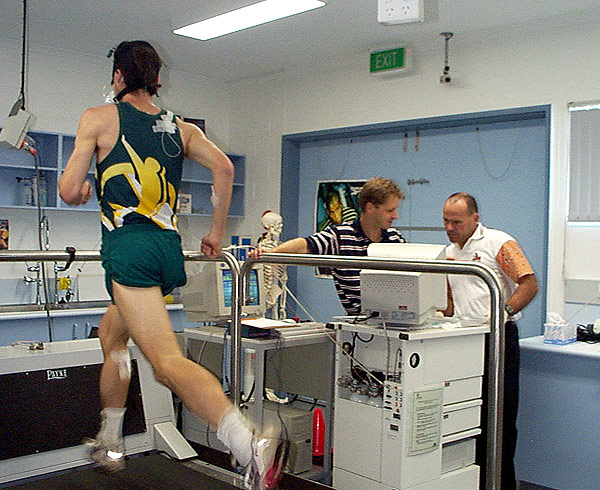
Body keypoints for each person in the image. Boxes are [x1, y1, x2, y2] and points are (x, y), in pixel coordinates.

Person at [58, 40, 286, 490]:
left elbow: (67, 190)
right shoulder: (181, 129)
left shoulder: (98, 118)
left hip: (130, 250)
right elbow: (224, 168)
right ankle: (110, 438)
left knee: (164, 363)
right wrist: (216, 232)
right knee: (112, 335)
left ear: (118, 77)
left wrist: (83, 190)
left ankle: (248, 444)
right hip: (165, 249)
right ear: (157, 79)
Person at [441, 192, 538, 490]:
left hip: (499, 338)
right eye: (446, 221)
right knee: (469, 417)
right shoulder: (448, 252)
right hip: (465, 341)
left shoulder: (498, 242)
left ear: (475, 219)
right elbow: (449, 303)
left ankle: (502, 484)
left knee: (500, 419)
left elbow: (529, 284)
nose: (450, 228)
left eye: (457, 222)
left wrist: (503, 312)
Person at [250, 177, 405, 316]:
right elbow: (306, 244)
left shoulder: (394, 238)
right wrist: (271, 253)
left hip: (397, 318)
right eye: (390, 210)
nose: (396, 216)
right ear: (370, 208)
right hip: (361, 324)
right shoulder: (340, 235)